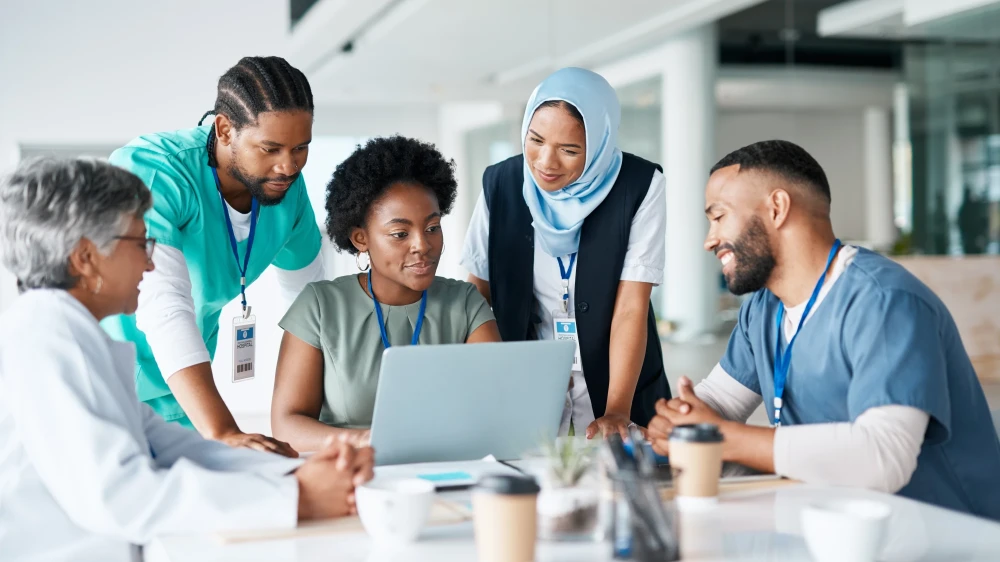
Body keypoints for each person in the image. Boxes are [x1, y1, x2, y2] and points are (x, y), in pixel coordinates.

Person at [0, 158, 374, 562]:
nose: (149, 262)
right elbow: (122, 496)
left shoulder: (67, 331)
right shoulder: (50, 336)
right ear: (86, 257)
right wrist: (297, 498)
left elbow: (165, 446)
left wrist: (291, 473)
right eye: (140, 243)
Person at [647, 140, 1000, 521]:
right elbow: (718, 402)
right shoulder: (763, 309)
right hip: (842, 523)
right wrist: (678, 421)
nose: (709, 239)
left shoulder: (885, 301)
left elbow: (883, 456)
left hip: (947, 534)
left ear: (777, 208)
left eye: (719, 217)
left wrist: (717, 436)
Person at [102, 56, 324, 456]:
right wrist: (222, 430)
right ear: (224, 129)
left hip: (181, 397)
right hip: (104, 384)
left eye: (301, 148)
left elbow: (309, 307)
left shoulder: (287, 189)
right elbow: (162, 304)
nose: (288, 166)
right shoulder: (157, 172)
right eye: (270, 148)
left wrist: (310, 415)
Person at [461, 67, 669, 439]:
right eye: (536, 140)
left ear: (600, 143)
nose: (545, 162)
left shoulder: (638, 186)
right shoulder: (501, 183)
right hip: (527, 377)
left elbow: (630, 308)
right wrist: (488, 381)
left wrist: (617, 410)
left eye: (570, 150)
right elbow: (477, 294)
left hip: (619, 378)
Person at [271, 136, 501, 452]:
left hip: (447, 469)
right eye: (400, 234)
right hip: (350, 474)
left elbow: (498, 406)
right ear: (360, 238)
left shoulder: (465, 304)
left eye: (432, 228)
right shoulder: (320, 306)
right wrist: (369, 442)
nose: (423, 244)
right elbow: (287, 424)